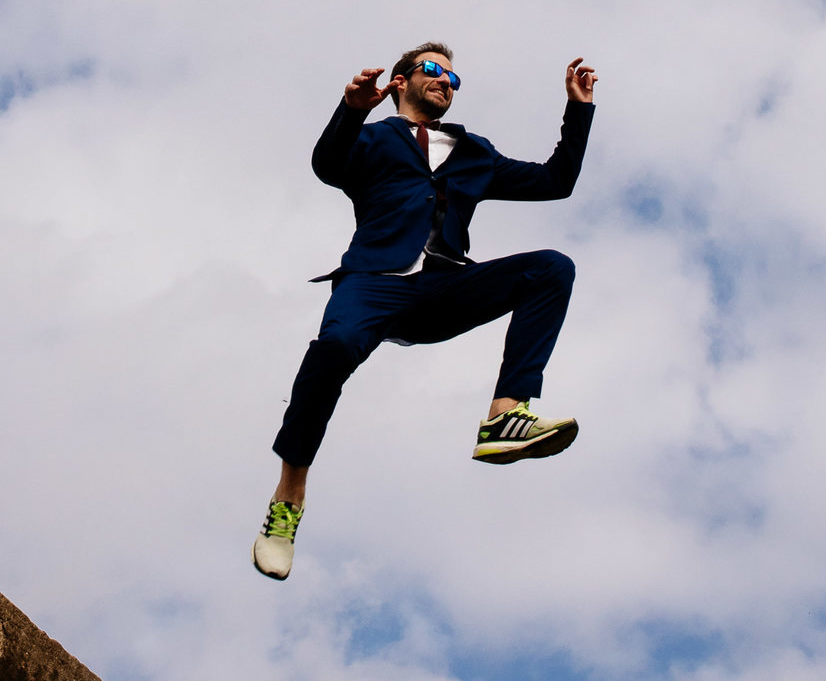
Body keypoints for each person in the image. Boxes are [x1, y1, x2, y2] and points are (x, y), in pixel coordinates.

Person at [253, 42, 597, 580]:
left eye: (454, 79)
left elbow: (556, 182)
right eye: (434, 71)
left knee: (552, 267)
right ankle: (288, 497)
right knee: (335, 349)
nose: (446, 82)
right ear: (399, 82)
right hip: (373, 283)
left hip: (444, 287)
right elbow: (327, 166)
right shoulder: (370, 137)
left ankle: (505, 415)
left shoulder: (473, 151)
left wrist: (578, 109)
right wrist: (351, 108)